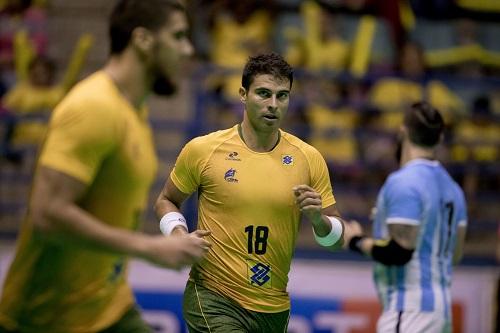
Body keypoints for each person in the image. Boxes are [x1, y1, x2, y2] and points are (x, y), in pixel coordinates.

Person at [0, 1, 212, 332]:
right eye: (179, 36)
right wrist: (148, 247)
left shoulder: (134, 113)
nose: (188, 51)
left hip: (108, 308)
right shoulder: (93, 107)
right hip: (45, 320)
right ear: (143, 40)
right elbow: (46, 213)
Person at [155, 52, 357, 332]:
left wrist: (319, 221)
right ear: (243, 94)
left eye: (282, 96)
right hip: (214, 298)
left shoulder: (308, 158)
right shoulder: (203, 150)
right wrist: (179, 237)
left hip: (273, 308)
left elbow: (335, 240)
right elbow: (166, 201)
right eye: (264, 94)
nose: (273, 105)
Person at [347, 101, 468, 333]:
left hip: (409, 311)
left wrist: (357, 241)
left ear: (402, 132)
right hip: (441, 312)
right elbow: (455, 255)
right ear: (440, 138)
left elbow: (399, 251)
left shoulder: (404, 182)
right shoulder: (454, 189)